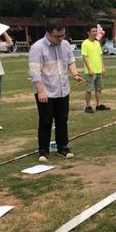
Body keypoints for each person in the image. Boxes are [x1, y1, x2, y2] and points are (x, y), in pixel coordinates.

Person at [29, 20, 84, 161]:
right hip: (45, 90)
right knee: (46, 121)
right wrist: (41, 91)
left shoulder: (65, 45)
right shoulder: (37, 48)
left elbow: (70, 61)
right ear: (49, 33)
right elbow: (35, 72)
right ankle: (43, 150)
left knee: (62, 120)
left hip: (63, 89)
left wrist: (75, 74)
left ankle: (63, 147)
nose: (60, 38)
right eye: (57, 36)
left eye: (62, 35)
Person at [81, 26, 109, 114]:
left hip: (98, 70)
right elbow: (84, 57)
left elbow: (100, 56)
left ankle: (99, 105)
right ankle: (88, 106)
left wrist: (103, 68)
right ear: (88, 33)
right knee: (89, 89)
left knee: (99, 88)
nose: (95, 33)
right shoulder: (85, 43)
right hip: (90, 71)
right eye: (93, 31)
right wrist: (89, 69)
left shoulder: (97, 43)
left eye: (95, 31)